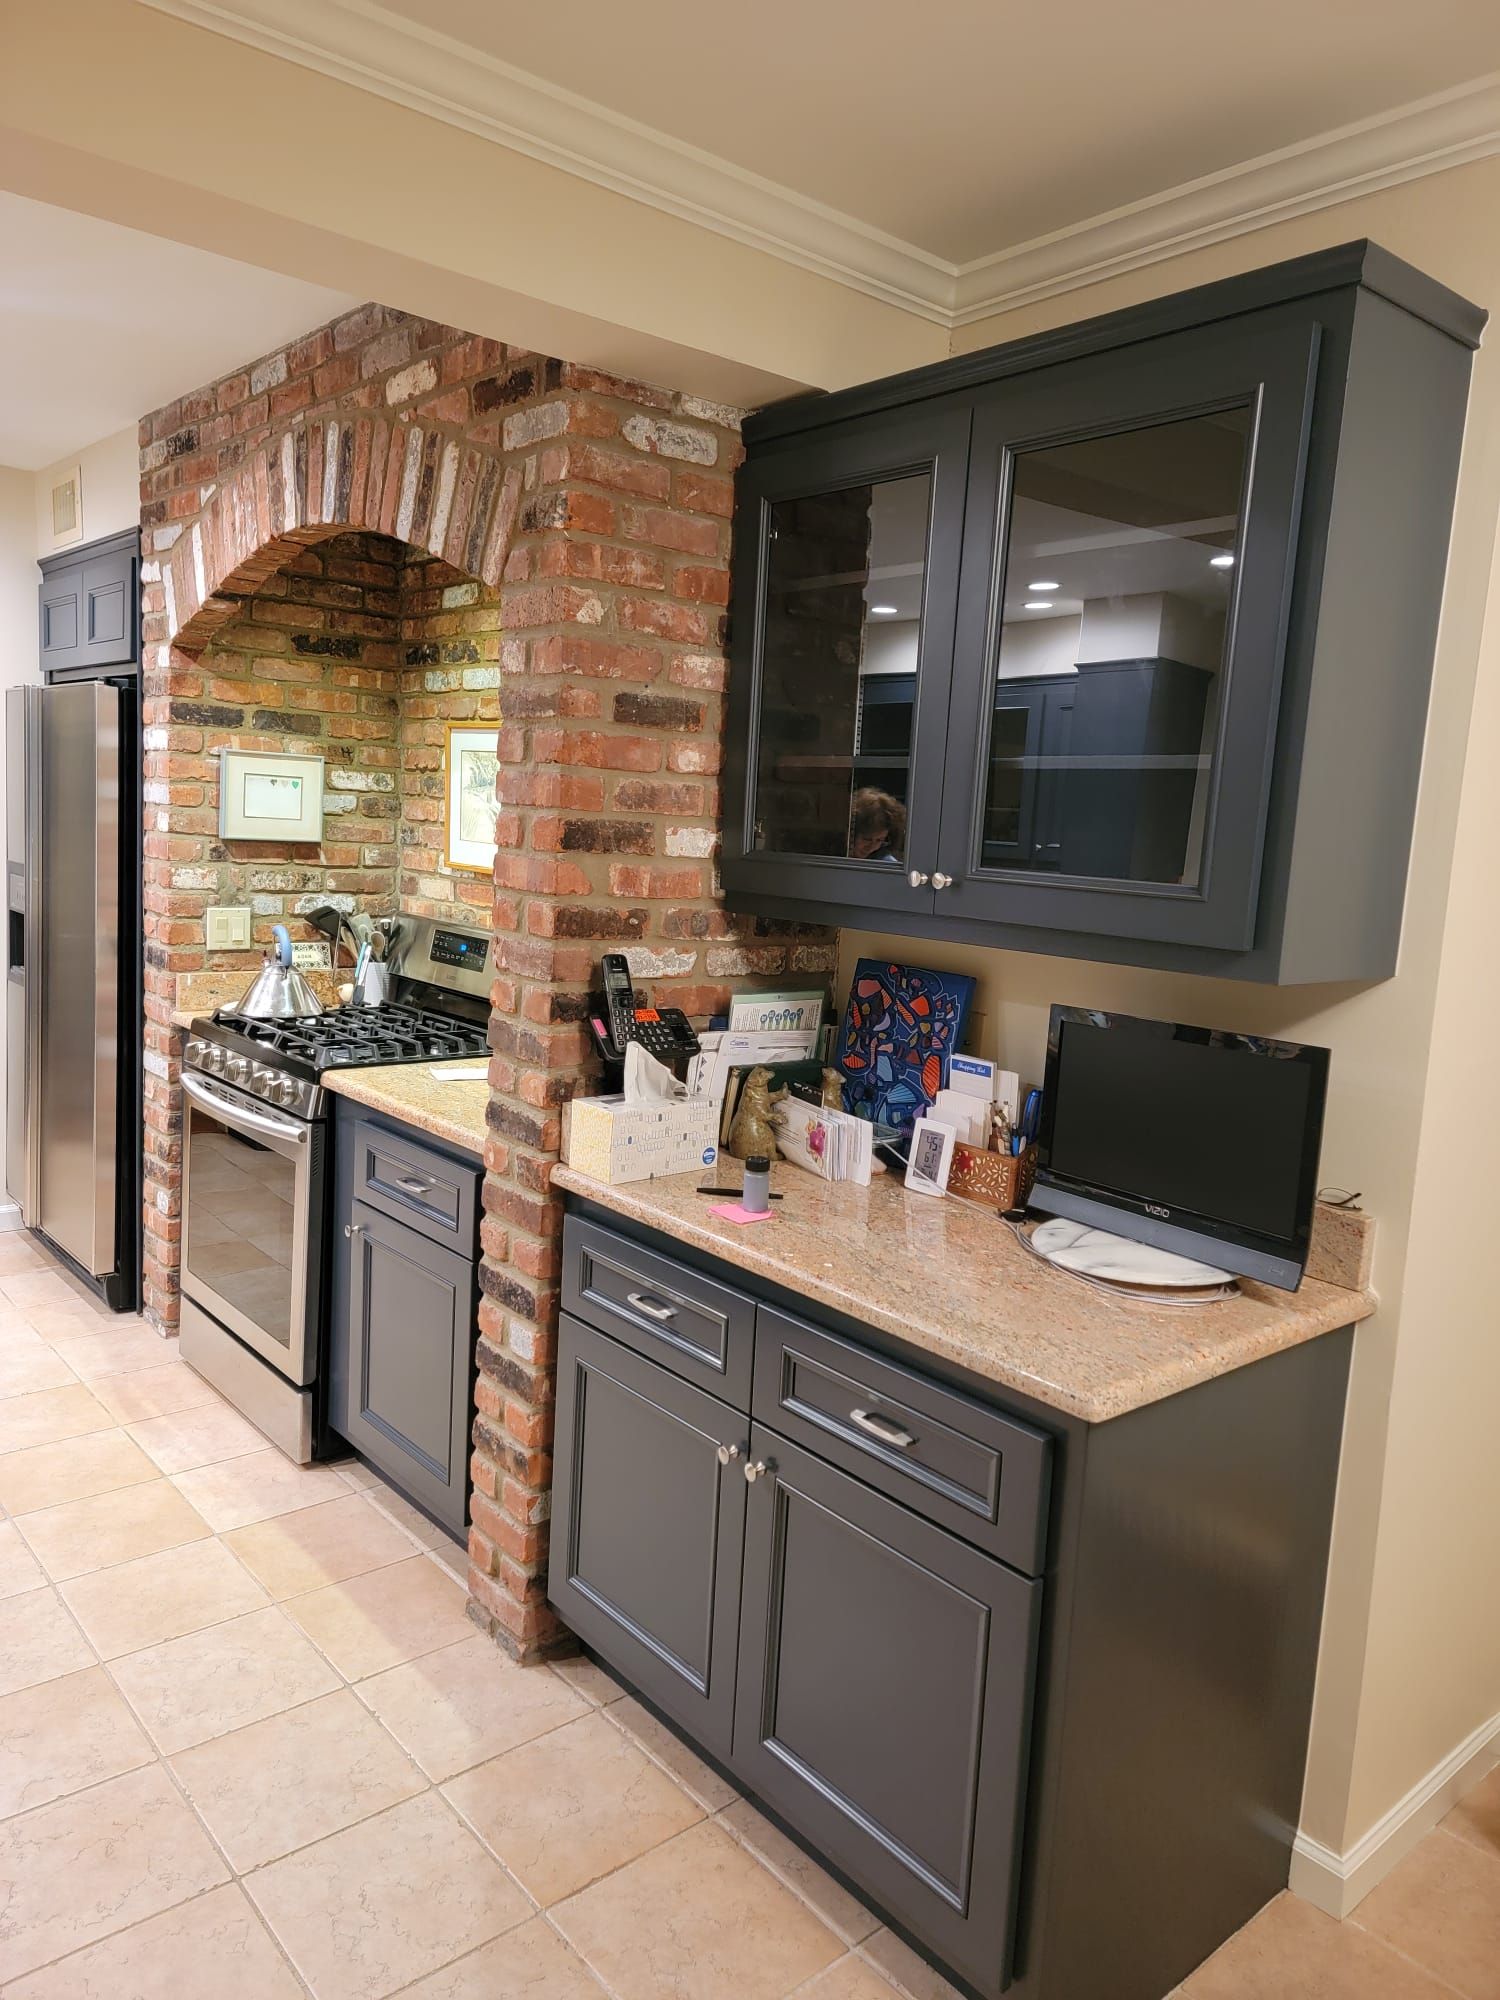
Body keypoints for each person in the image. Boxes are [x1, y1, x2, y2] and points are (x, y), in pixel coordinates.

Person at [848, 787, 907, 863]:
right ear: (850, 833)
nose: (872, 847)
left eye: (879, 840)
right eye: (867, 839)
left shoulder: (887, 864)